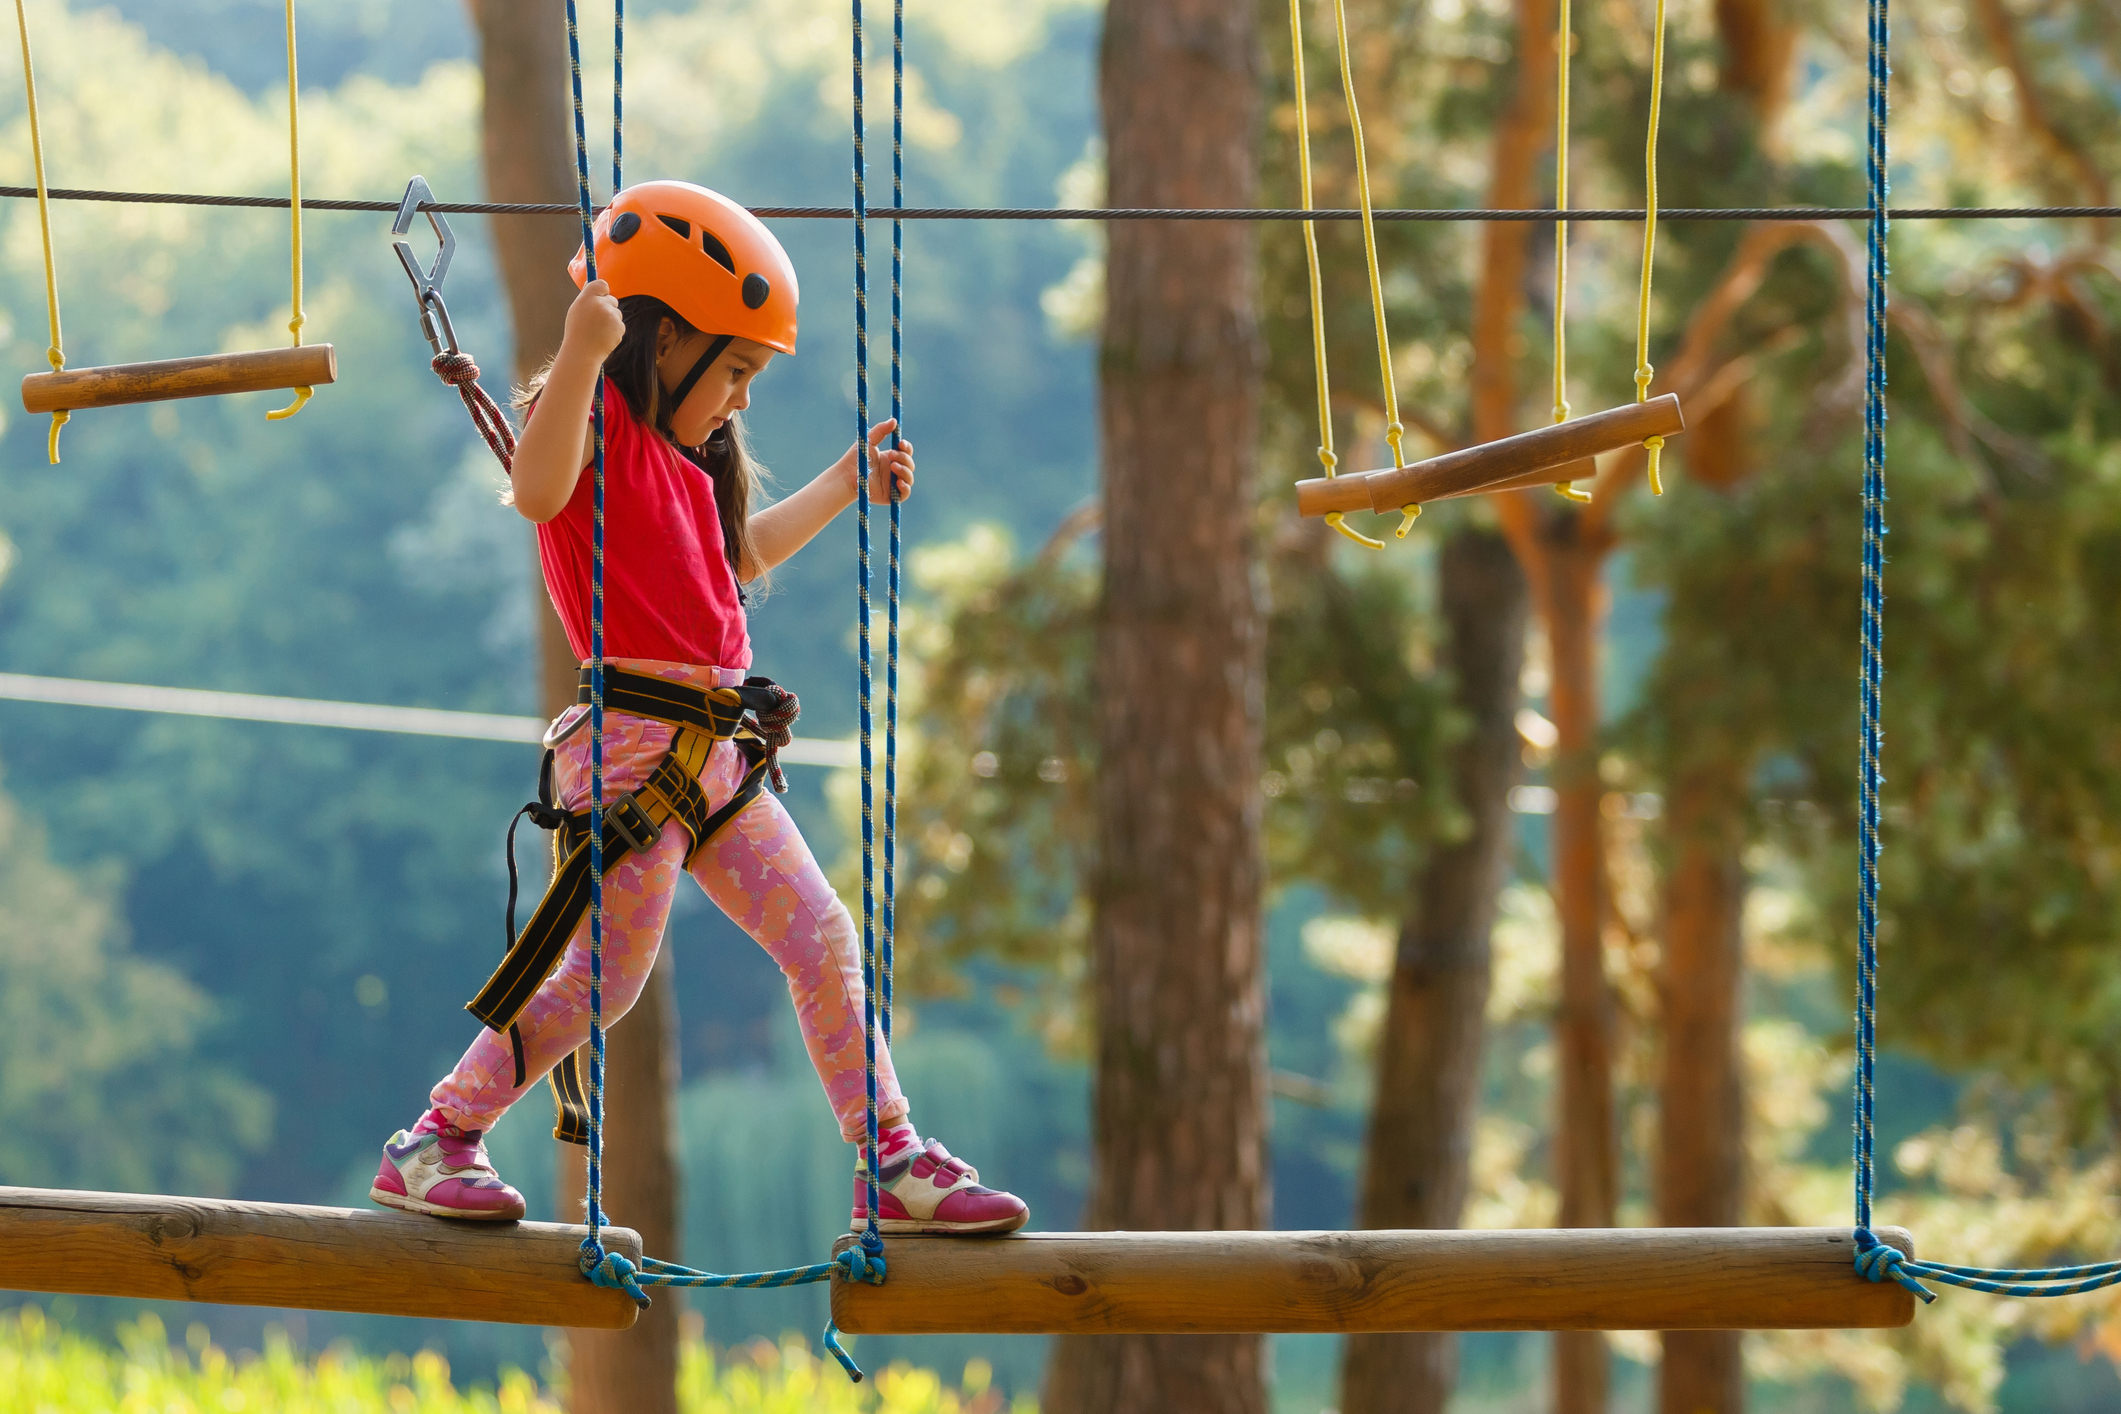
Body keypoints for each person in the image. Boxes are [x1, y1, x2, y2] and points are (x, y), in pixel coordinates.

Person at [369, 180, 1027, 1237]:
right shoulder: (592, 426)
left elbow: (739, 558)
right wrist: (585, 351)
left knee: (822, 933)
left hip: (717, 755)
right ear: (662, 337)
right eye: (736, 369)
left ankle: (891, 1158)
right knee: (607, 977)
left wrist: (845, 482)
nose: (742, 399)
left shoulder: (685, 464)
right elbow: (537, 492)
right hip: (633, 751)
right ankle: (435, 1137)